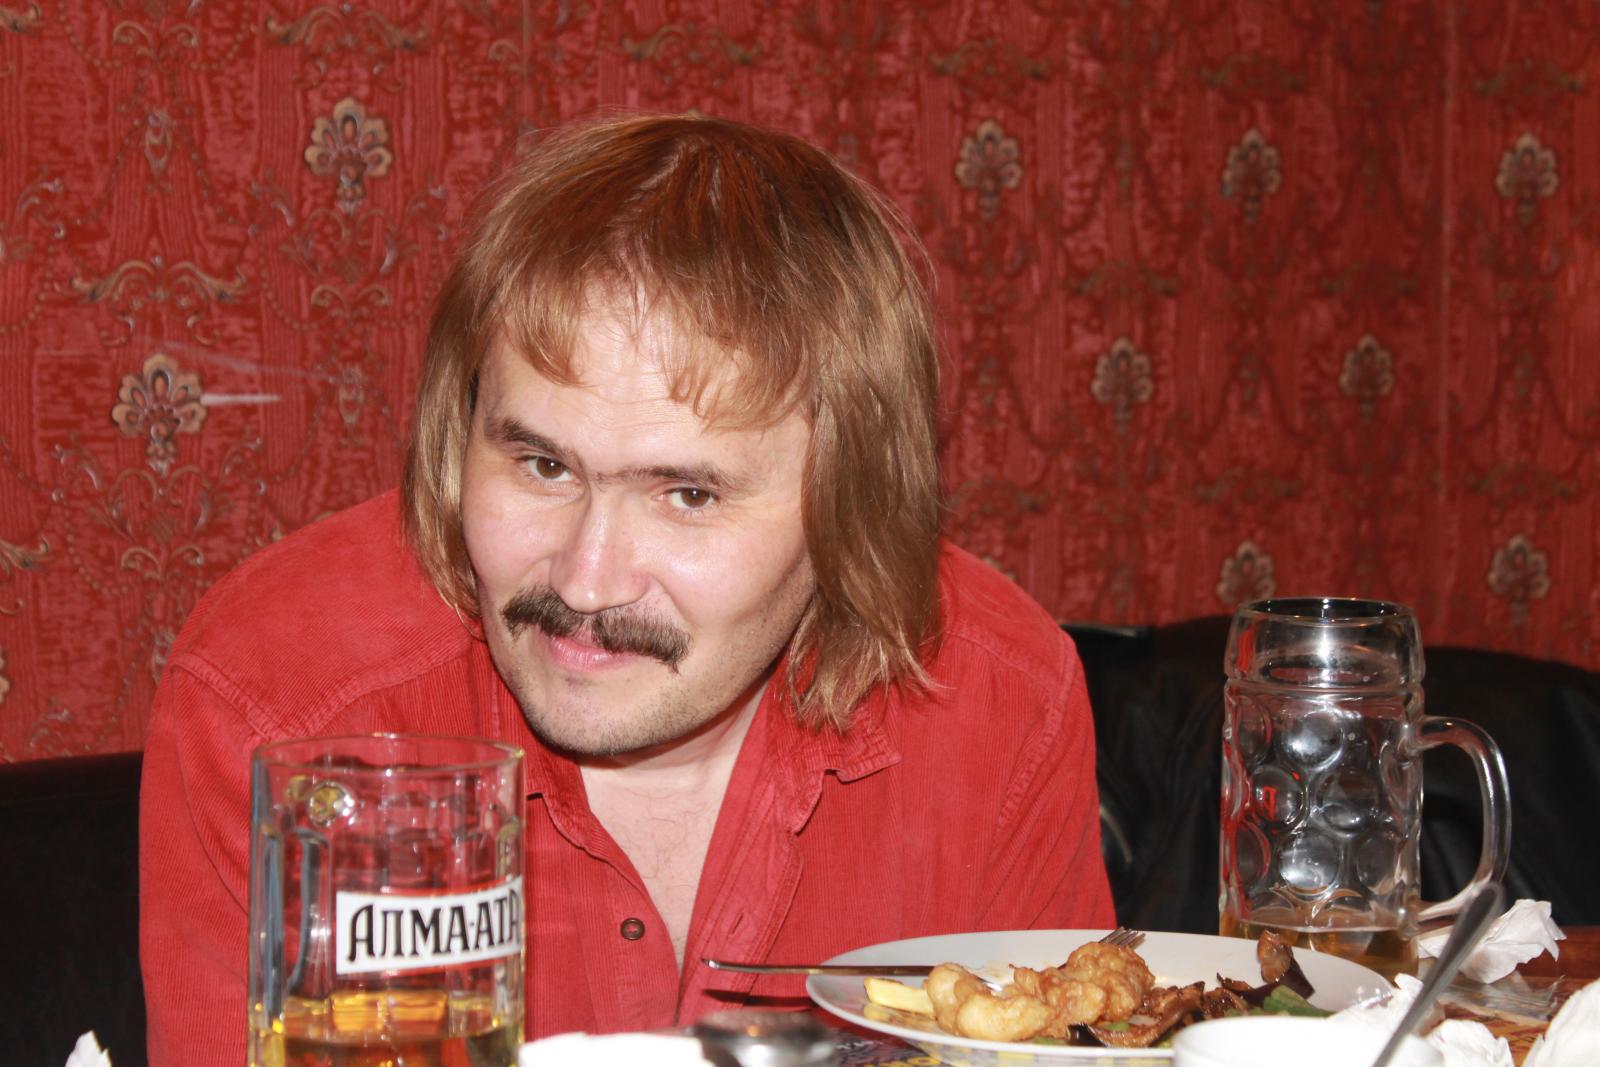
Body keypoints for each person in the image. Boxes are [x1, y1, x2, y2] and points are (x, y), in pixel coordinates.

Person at [139, 113, 1115, 1064]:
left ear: (850, 507)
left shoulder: (1001, 700)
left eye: (688, 494)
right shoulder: (281, 705)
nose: (585, 579)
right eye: (542, 466)